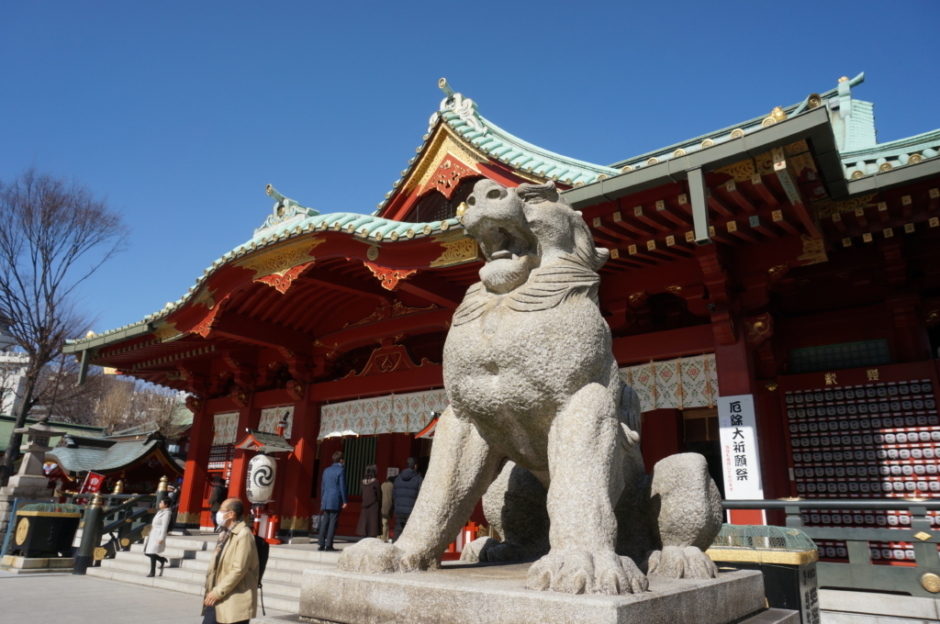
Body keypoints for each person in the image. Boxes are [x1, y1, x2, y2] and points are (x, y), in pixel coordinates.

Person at [202, 498, 259, 624]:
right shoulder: (224, 533)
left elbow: (239, 569)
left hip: (234, 596)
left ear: (231, 514)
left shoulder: (243, 534)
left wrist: (217, 591)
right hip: (218, 592)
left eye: (221, 510)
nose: (218, 513)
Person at [318, 451, 347, 551]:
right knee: (332, 522)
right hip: (335, 498)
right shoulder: (341, 470)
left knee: (325, 522)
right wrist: (345, 500)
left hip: (326, 498)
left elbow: (323, 486)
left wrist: (322, 499)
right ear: (341, 460)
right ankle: (329, 545)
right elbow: (342, 486)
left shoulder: (326, 470)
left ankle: (321, 544)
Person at [392, 458, 423, 541]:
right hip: (411, 510)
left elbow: (394, 494)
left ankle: (394, 549)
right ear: (415, 466)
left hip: (399, 510)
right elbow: (421, 496)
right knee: (411, 533)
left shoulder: (398, 478)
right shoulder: (418, 479)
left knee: (398, 530)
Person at [144, 497, 171, 577]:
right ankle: (161, 559)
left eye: (161, 502)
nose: (159, 504)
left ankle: (152, 571)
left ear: (166, 504)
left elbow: (164, 526)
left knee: (151, 553)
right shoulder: (160, 512)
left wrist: (161, 538)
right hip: (153, 534)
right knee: (147, 552)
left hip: (158, 535)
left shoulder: (167, 514)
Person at [356, 464, 381, 539]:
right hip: (374, 505)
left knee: (365, 520)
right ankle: (372, 535)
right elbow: (379, 495)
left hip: (364, 504)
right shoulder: (376, 482)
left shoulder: (363, 483)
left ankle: (364, 533)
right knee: (373, 523)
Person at [380, 475, 394, 542]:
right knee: (385, 523)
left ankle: (379, 536)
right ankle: (384, 538)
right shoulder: (392, 486)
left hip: (380, 505)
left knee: (380, 522)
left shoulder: (382, 485)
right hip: (388, 506)